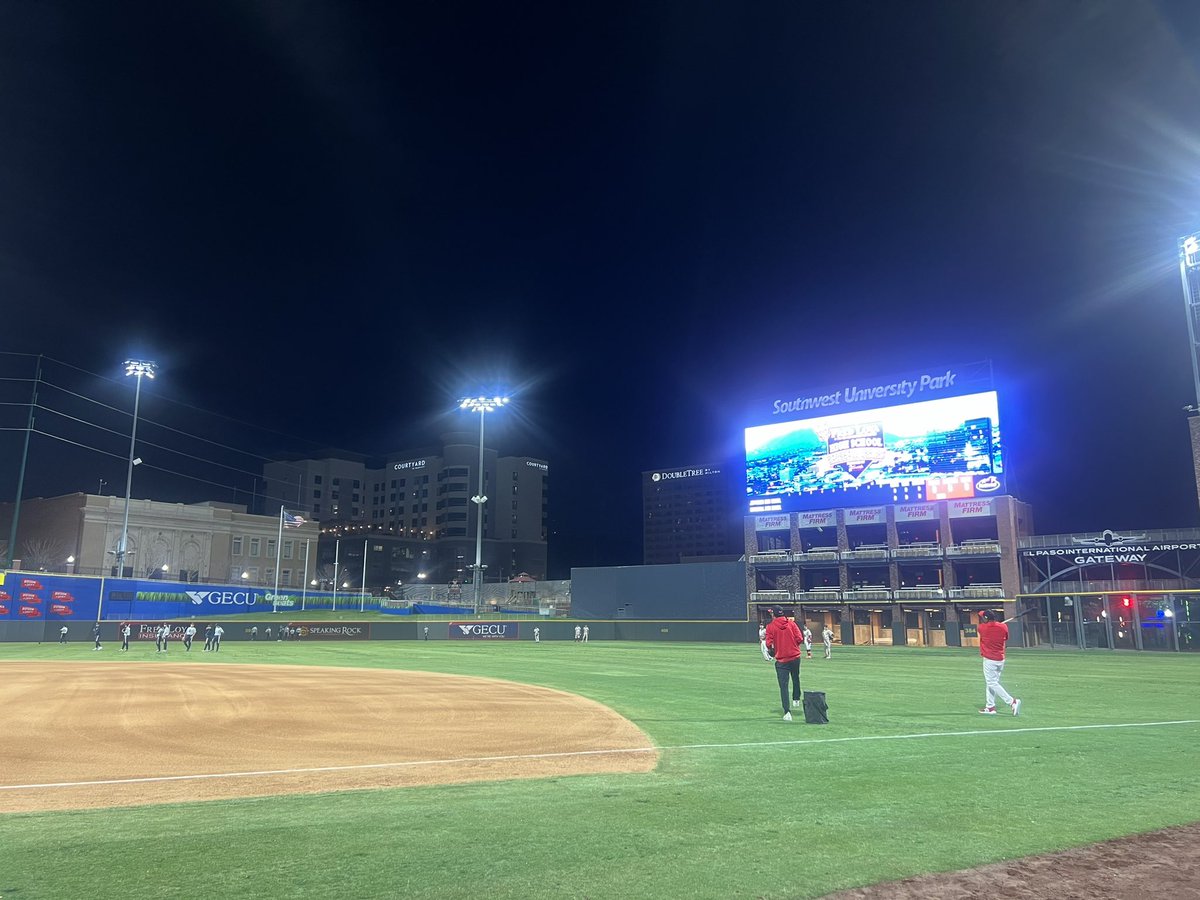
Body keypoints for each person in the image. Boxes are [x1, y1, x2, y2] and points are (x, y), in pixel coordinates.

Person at [762, 608, 803, 721]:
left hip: (782, 660)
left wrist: (773, 650)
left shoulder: (770, 626)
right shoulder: (791, 623)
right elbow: (799, 638)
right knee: (795, 677)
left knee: (783, 686)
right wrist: (793, 646)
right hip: (795, 656)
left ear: (773, 614)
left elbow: (769, 643)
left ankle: (787, 712)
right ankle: (796, 698)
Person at [978, 610, 1021, 716]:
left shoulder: (981, 628)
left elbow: (986, 629)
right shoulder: (1003, 627)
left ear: (986, 619)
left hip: (989, 659)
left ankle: (1012, 702)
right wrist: (998, 626)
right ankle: (990, 707)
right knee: (991, 683)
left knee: (992, 683)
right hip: (1000, 659)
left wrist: (994, 626)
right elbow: (1006, 637)